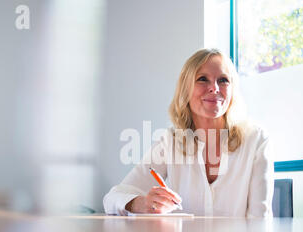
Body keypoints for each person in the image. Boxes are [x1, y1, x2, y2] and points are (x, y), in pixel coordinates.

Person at [103, 48, 273, 217]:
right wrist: (142, 203)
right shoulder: (171, 140)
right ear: (185, 90)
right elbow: (112, 198)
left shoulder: (256, 140)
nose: (214, 88)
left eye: (223, 80)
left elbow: (260, 221)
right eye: (202, 79)